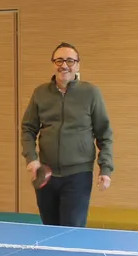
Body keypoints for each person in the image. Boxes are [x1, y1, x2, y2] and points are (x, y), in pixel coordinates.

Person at [20, 42, 114, 227]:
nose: (64, 65)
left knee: (72, 230)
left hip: (78, 174)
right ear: (53, 64)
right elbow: (28, 128)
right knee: (50, 229)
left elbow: (104, 134)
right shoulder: (40, 93)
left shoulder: (91, 93)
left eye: (70, 61)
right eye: (59, 60)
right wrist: (31, 158)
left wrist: (106, 169)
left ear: (78, 65)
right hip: (46, 174)